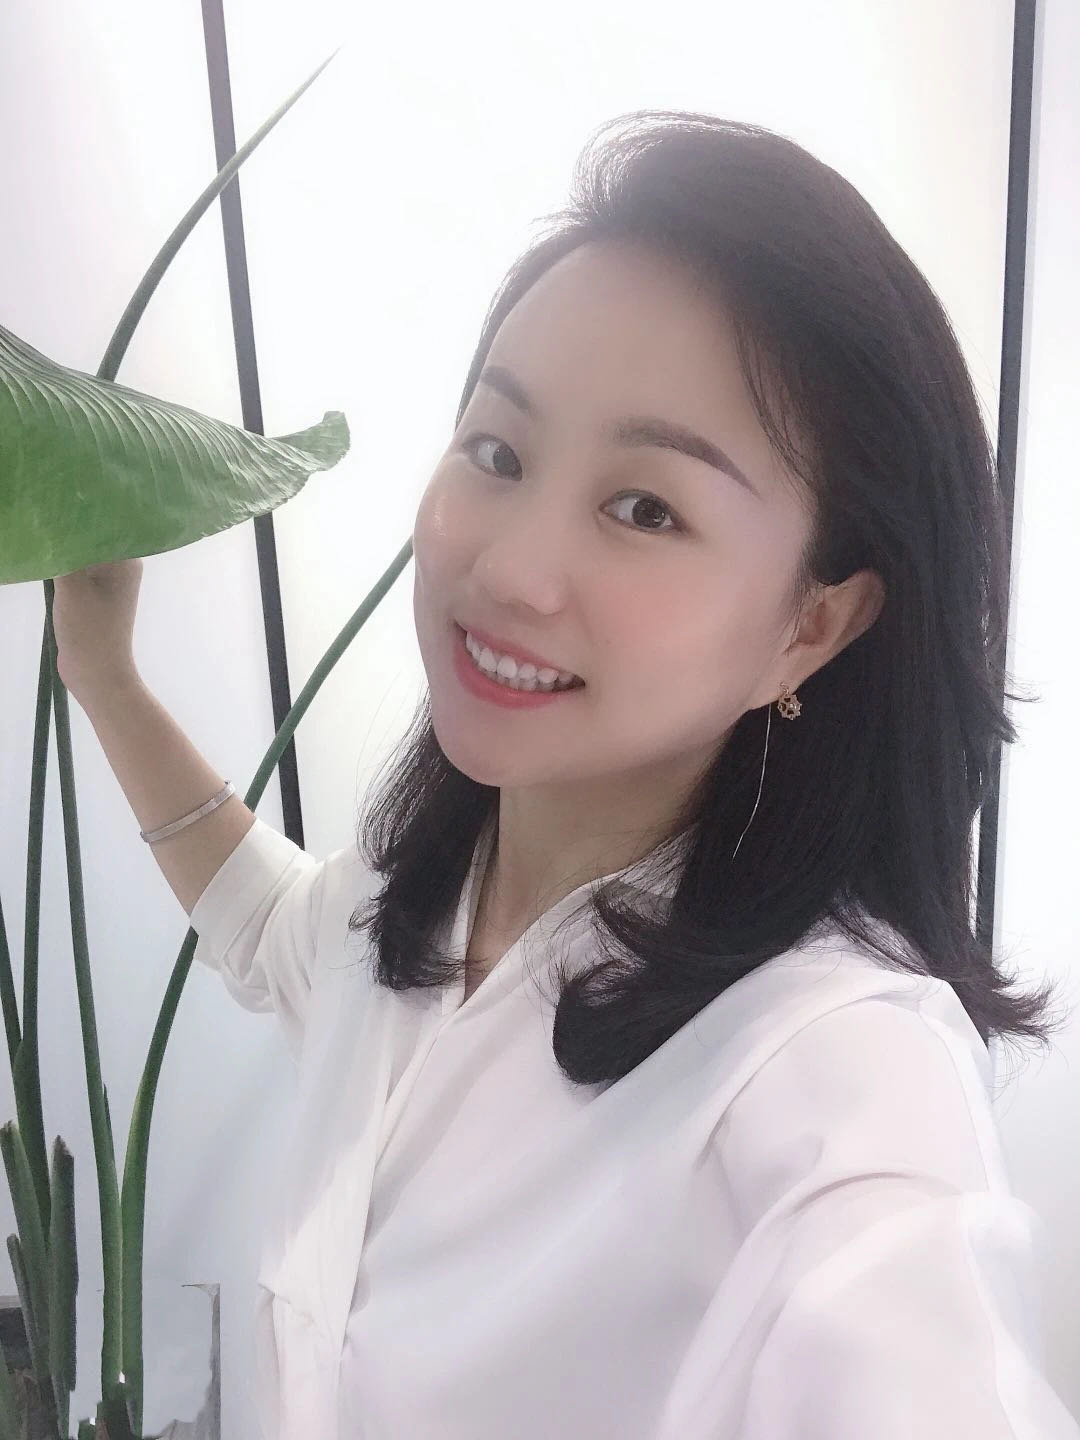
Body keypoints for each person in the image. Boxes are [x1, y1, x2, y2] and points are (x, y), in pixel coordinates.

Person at [51, 112, 1079, 1439]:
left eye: (646, 508)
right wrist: (108, 677)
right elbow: (271, 931)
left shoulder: (832, 1072)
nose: (510, 570)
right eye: (500, 452)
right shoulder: (422, 895)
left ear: (810, 625)